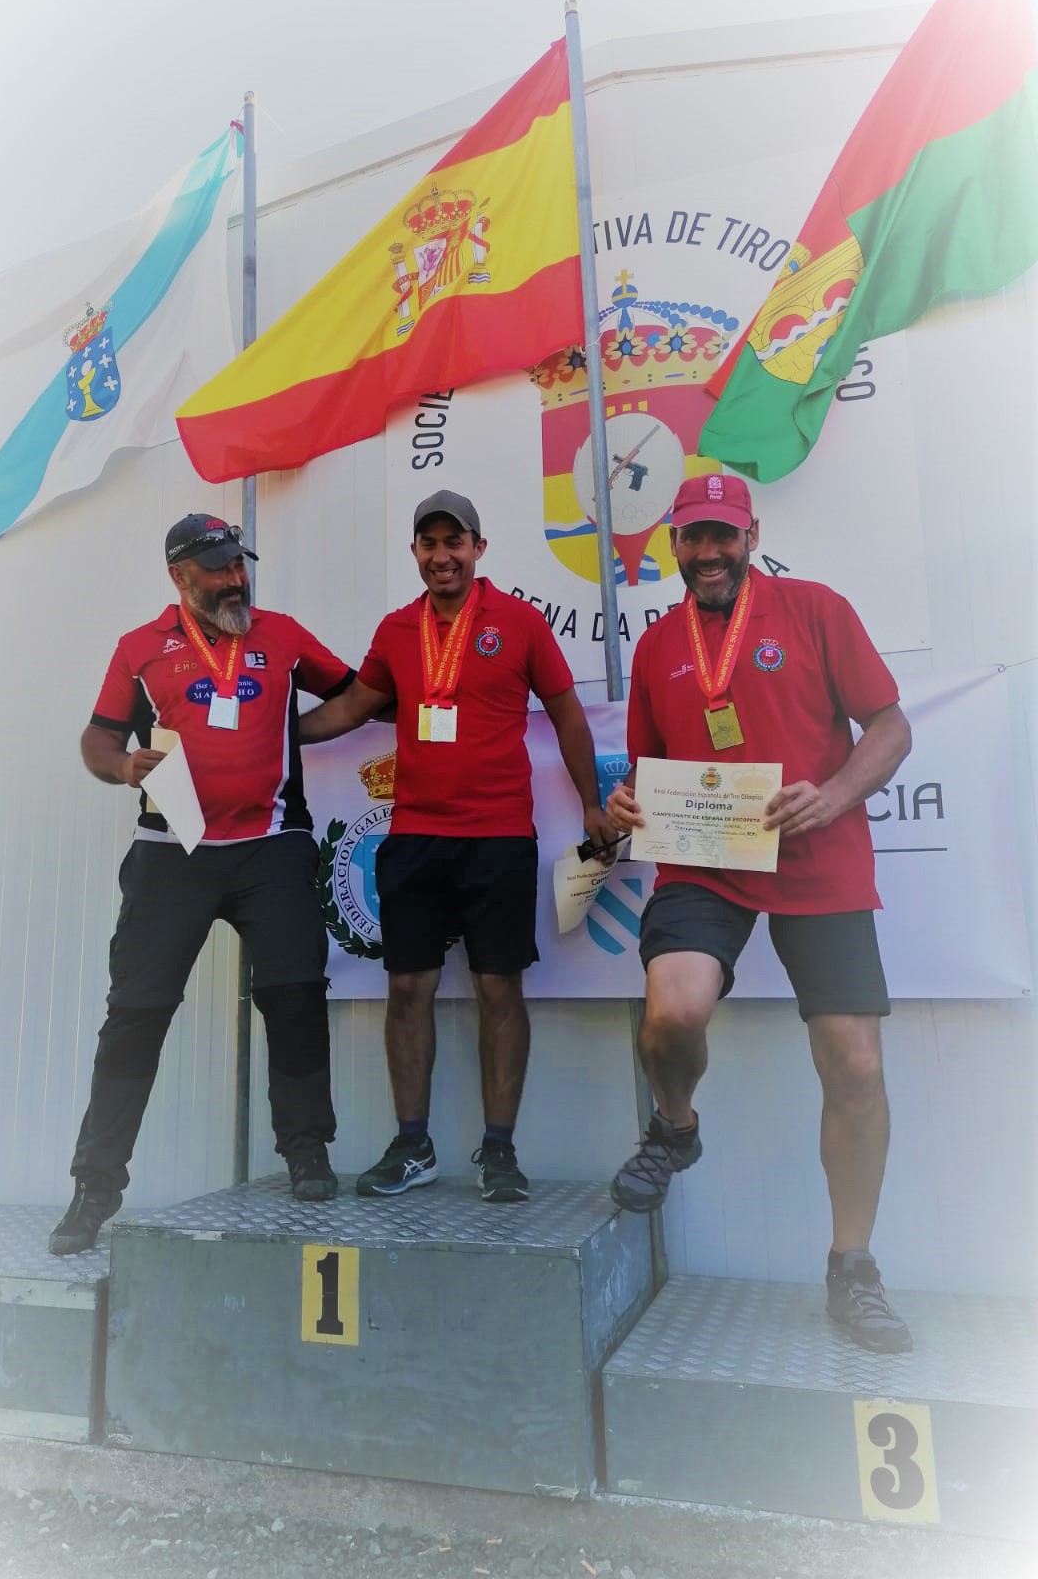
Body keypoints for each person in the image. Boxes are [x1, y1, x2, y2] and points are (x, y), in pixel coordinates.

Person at [604, 471, 914, 1352]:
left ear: (751, 537)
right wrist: (628, 802)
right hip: (706, 864)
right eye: (693, 538)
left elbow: (890, 728)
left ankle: (852, 1267)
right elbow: (650, 773)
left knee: (856, 1069)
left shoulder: (815, 610)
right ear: (673, 544)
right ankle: (675, 1127)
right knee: (672, 1015)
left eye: (723, 536)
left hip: (818, 856)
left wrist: (835, 794)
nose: (709, 553)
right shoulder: (657, 644)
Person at [49, 515, 354, 1255]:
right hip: (172, 849)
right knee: (136, 1012)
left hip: (271, 844)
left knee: (295, 996)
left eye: (239, 564)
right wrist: (122, 766)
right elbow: (98, 737)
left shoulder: (282, 636)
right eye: (218, 568)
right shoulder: (140, 648)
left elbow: (355, 694)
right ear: (180, 577)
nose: (235, 579)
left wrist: (295, 732)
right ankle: (95, 1185)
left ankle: (306, 1150)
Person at [299, 490, 612, 1203]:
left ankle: (499, 1150)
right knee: (407, 988)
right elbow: (352, 707)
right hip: (414, 836)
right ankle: (413, 1144)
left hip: (499, 838)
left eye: (455, 542)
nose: (442, 556)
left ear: (478, 548)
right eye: (429, 543)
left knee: (499, 988)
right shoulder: (396, 629)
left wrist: (592, 803)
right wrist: (278, 733)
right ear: (415, 551)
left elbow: (568, 716)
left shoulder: (521, 623)